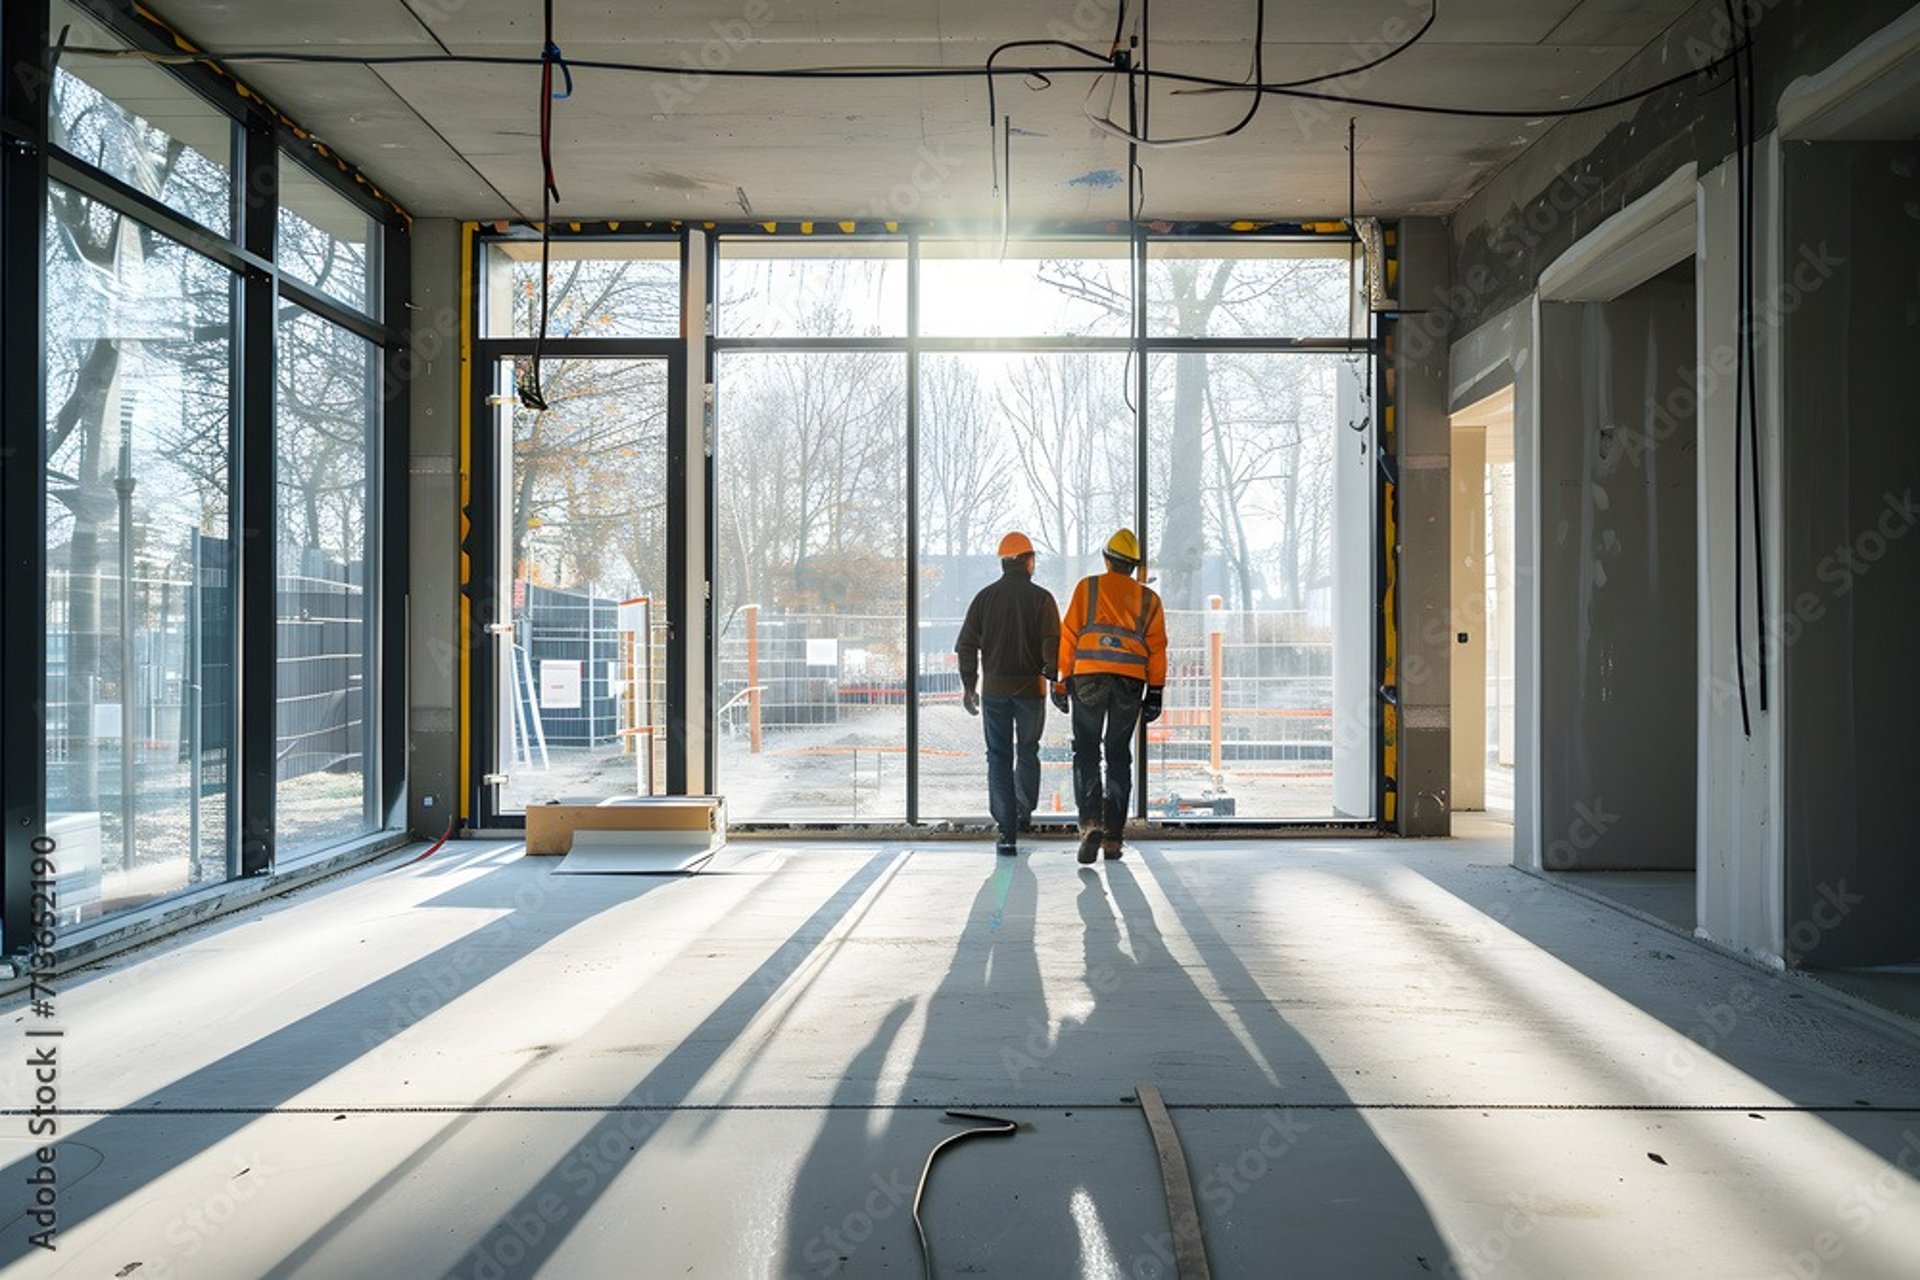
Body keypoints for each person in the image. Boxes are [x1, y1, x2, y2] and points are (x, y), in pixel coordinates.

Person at [1053, 528, 1167, 865]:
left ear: (1106, 559)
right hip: (1130, 684)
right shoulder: (1149, 600)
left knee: (1086, 750)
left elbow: (1068, 637)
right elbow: (1157, 649)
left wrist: (1061, 682)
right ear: (1133, 565)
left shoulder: (1087, 589)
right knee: (1118, 755)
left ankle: (1089, 823)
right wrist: (1156, 691)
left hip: (1087, 679)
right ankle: (1114, 839)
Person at [956, 531, 1061, 856]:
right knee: (1028, 751)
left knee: (998, 757)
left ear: (1004, 563)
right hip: (1031, 690)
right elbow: (1052, 645)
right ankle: (1023, 813)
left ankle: (1006, 830)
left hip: (995, 691)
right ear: (1028, 561)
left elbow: (966, 645)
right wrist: (1055, 679)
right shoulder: (1042, 599)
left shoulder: (984, 598)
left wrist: (970, 685)